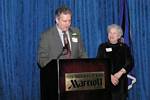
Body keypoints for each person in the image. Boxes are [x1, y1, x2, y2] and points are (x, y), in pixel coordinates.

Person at [96, 24, 134, 100]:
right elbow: (99, 63)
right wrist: (109, 76)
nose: (111, 35)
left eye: (114, 33)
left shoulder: (124, 47)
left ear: (119, 36)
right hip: (106, 82)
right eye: (110, 32)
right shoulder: (102, 47)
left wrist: (119, 73)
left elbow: (130, 63)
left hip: (120, 83)